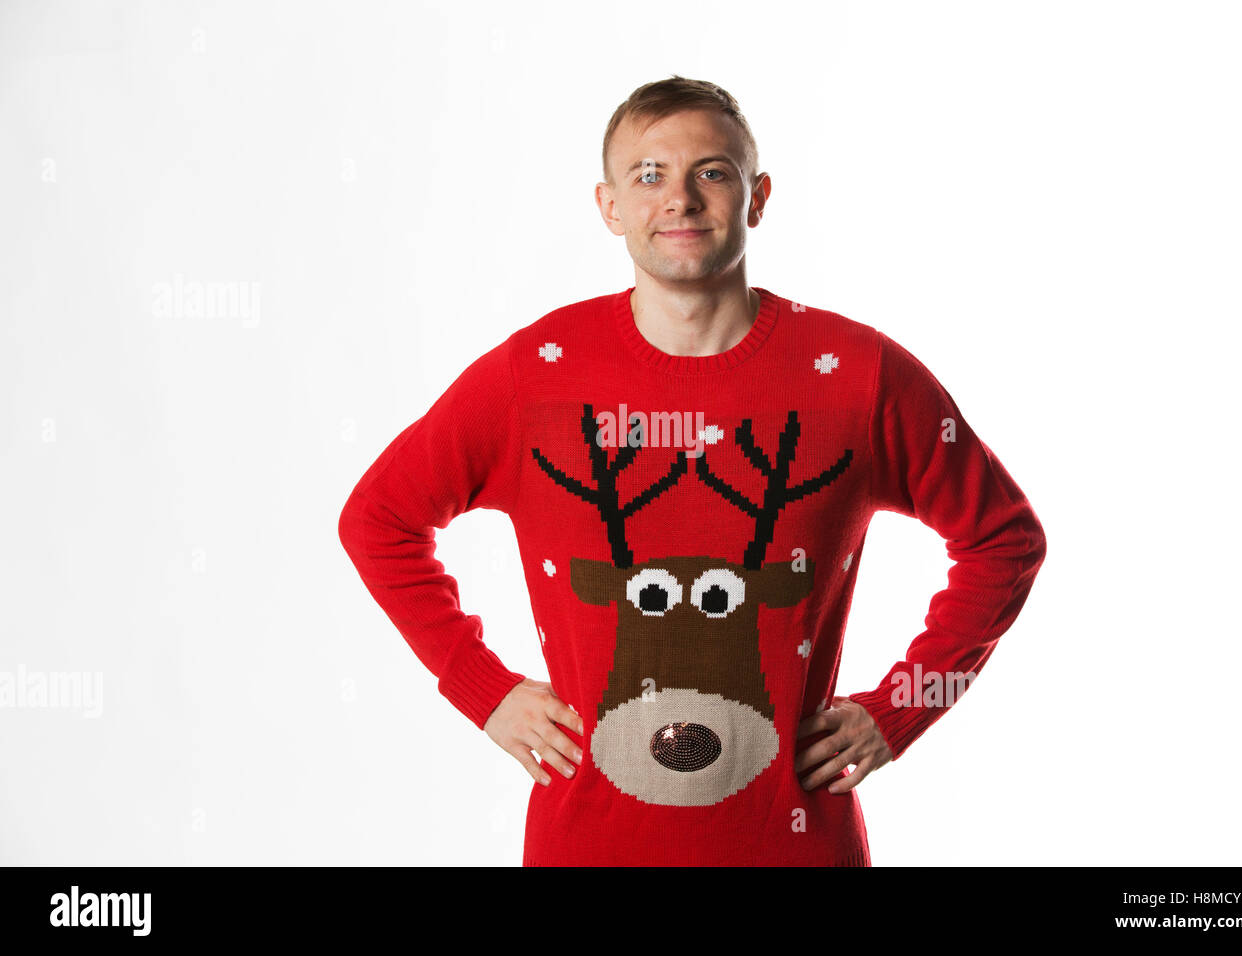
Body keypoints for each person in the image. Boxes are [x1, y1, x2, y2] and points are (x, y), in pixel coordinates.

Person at [337, 75, 1047, 866]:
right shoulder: (535, 377)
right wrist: (482, 689)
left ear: (758, 197)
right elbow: (378, 520)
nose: (680, 198)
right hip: (588, 847)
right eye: (650, 176)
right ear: (609, 206)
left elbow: (1005, 541)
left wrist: (901, 709)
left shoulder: (856, 375)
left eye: (711, 171)